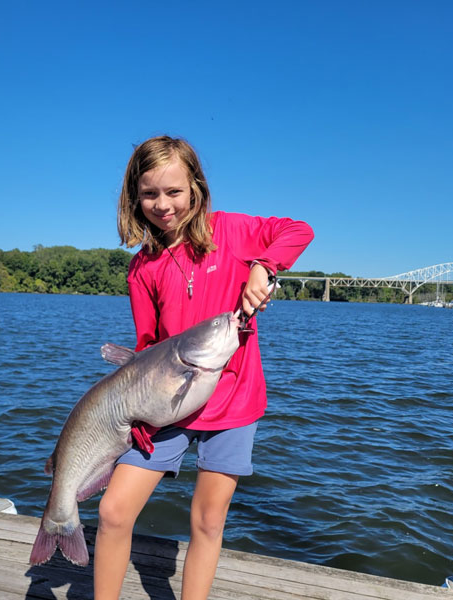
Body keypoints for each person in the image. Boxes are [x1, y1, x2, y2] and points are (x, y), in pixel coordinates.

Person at [93, 135, 314, 599]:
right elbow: (148, 347)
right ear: (134, 197)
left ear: (195, 186)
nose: (163, 205)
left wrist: (264, 267)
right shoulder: (142, 269)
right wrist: (137, 412)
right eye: (150, 194)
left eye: (174, 191)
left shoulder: (231, 231)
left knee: (208, 521)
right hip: (167, 407)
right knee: (113, 511)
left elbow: (298, 230)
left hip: (234, 402)